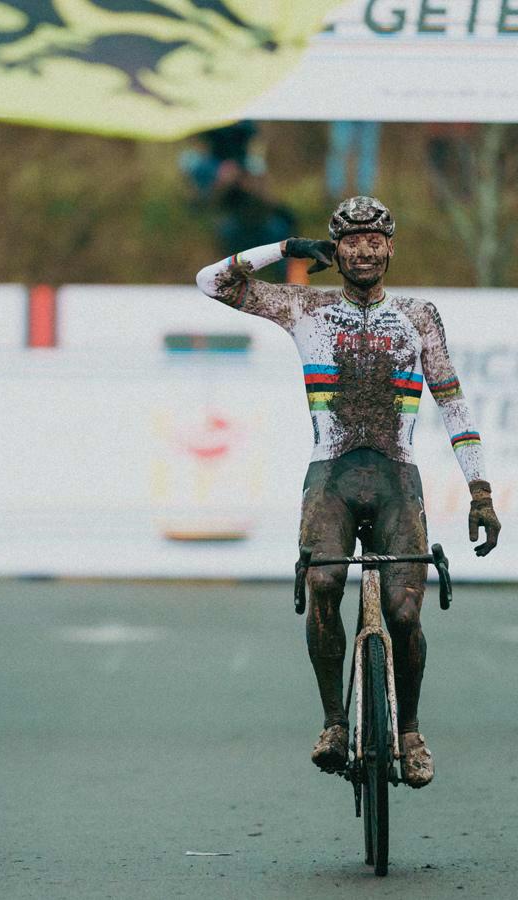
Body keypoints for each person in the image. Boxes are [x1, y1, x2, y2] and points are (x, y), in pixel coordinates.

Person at [195, 196, 500, 789]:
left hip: (396, 479)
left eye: (374, 239)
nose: (363, 249)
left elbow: (453, 401)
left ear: (391, 247)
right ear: (335, 250)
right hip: (330, 476)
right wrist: (284, 249)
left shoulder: (419, 315)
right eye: (349, 240)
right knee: (324, 583)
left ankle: (409, 731)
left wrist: (480, 491)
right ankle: (335, 722)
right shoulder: (305, 307)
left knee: (406, 613)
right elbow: (212, 282)